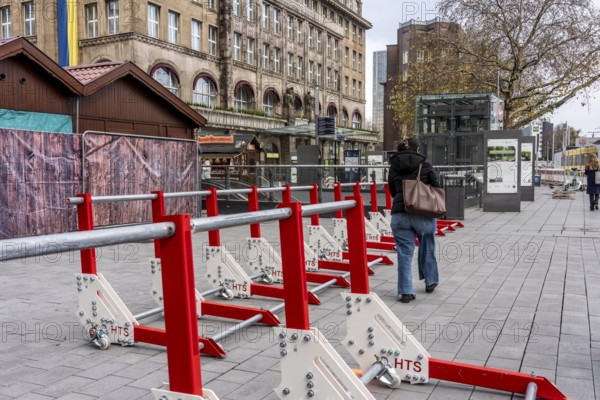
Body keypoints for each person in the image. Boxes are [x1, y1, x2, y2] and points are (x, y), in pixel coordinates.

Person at [388, 137, 440, 303]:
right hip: (422, 213)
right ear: (418, 150)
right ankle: (430, 281)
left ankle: (406, 292)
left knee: (404, 252)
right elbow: (437, 187)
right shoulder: (425, 164)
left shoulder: (394, 166)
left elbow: (392, 191)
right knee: (427, 244)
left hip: (399, 214)